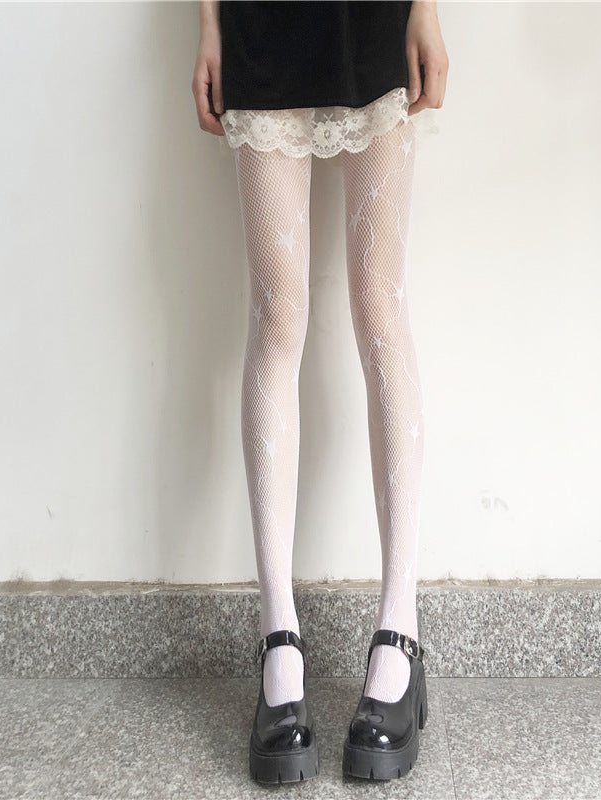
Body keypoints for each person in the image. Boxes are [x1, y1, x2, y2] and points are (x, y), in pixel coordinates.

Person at [192, 0, 448, 784]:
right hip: (261, 20)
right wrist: (208, 24)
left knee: (380, 307)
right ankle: (279, 639)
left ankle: (399, 634)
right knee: (277, 317)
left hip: (372, 15)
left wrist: (426, 9)